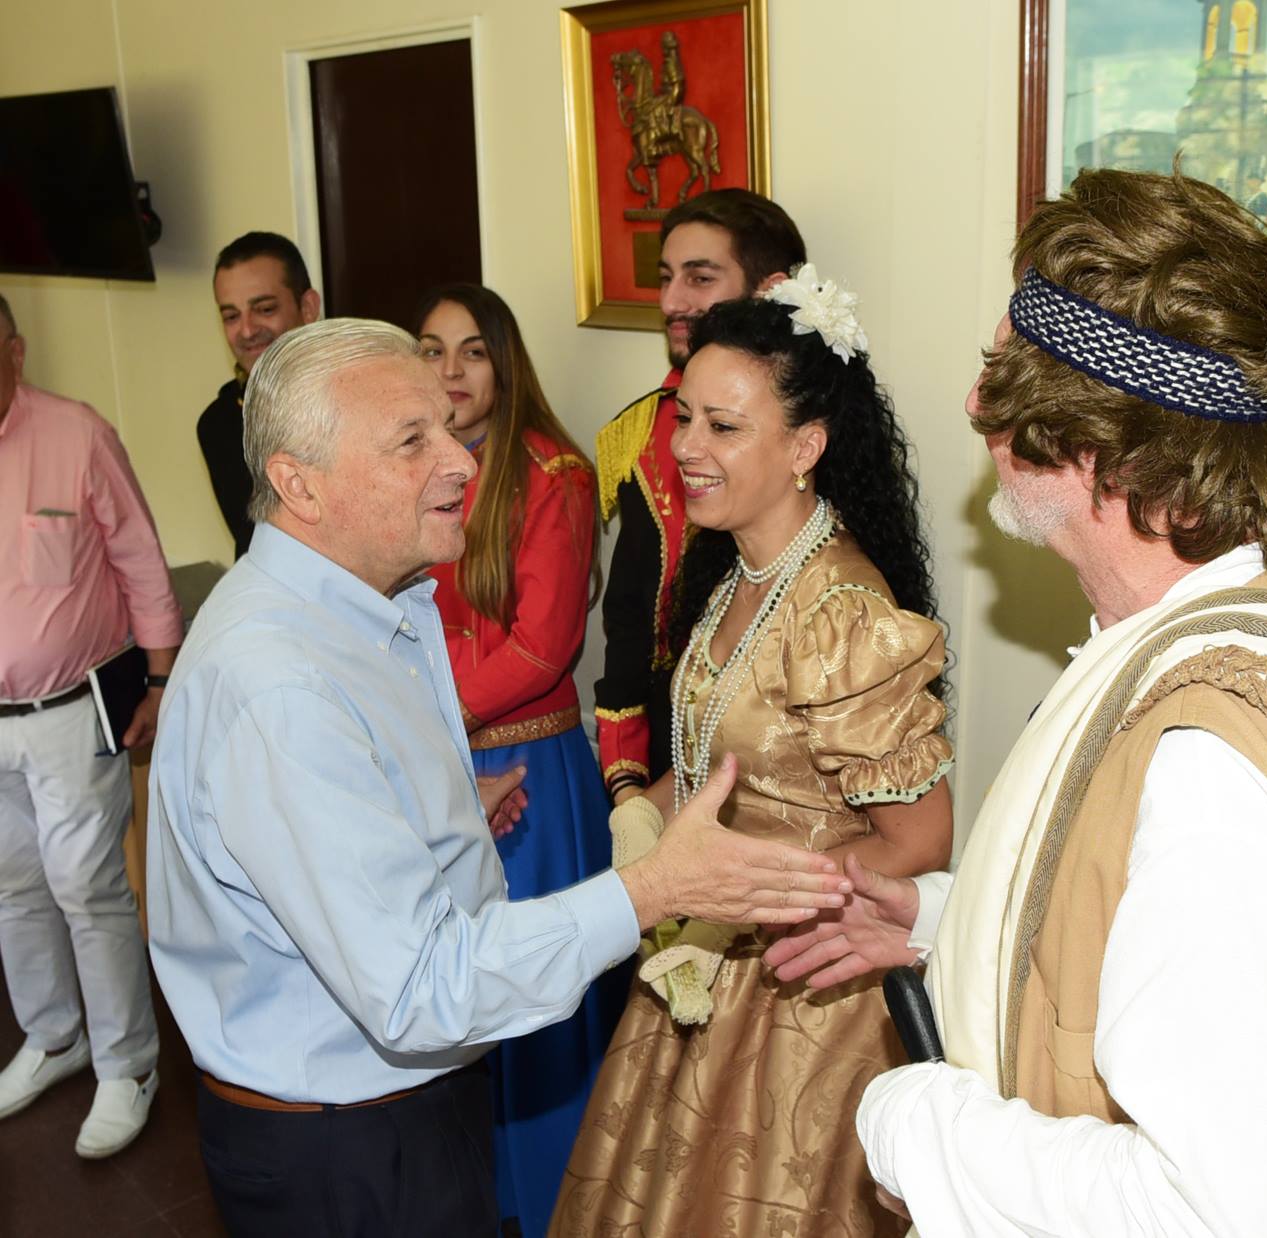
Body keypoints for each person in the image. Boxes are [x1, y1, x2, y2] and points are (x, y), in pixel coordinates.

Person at [768, 170, 1267, 1238]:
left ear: (1091, 438)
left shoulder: (1213, 770)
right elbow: (1153, 935)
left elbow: (1247, 1215)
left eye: (1002, 373)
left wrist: (918, 1126)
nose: (974, 404)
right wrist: (952, 922)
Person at [146, 318, 852, 1238]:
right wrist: (652, 890)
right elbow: (420, 992)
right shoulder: (280, 685)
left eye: (447, 428)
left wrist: (422, 818)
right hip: (346, 1149)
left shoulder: (360, 605)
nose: (460, 463)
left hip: (391, 1113)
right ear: (299, 483)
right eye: (412, 441)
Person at [553, 277, 954, 1237]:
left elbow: (919, 840)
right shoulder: (736, 572)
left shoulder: (841, 613)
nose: (686, 447)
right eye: (685, 417)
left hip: (804, 992)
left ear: (805, 447)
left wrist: (742, 896)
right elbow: (720, 766)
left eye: (723, 427)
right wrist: (644, 816)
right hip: (707, 953)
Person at [415, 283, 624, 1234]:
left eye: (471, 351)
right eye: (431, 350)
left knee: (537, 1004)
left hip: (531, 776)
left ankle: (554, 1207)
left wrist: (431, 712)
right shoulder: (413, 466)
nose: (450, 370)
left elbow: (545, 648)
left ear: (504, 363)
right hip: (440, 768)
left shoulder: (553, 475)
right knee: (457, 996)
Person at [0, 293, 183, 1158]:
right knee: (12, 886)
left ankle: (129, 1066)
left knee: (85, 884)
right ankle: (54, 1037)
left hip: (70, 710)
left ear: (14, 351)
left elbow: (141, 559)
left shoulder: (76, 435)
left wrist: (160, 678)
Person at [594, 189, 805, 805]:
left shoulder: (818, 432)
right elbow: (629, 623)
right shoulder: (643, 432)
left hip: (788, 759)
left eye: (700, 278)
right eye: (665, 278)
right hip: (666, 751)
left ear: (770, 290)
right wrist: (628, 785)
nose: (670, 302)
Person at [198, 231, 322, 558]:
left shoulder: (363, 396)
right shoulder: (220, 423)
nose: (248, 330)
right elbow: (259, 542)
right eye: (231, 316)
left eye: (265, 309)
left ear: (308, 307)